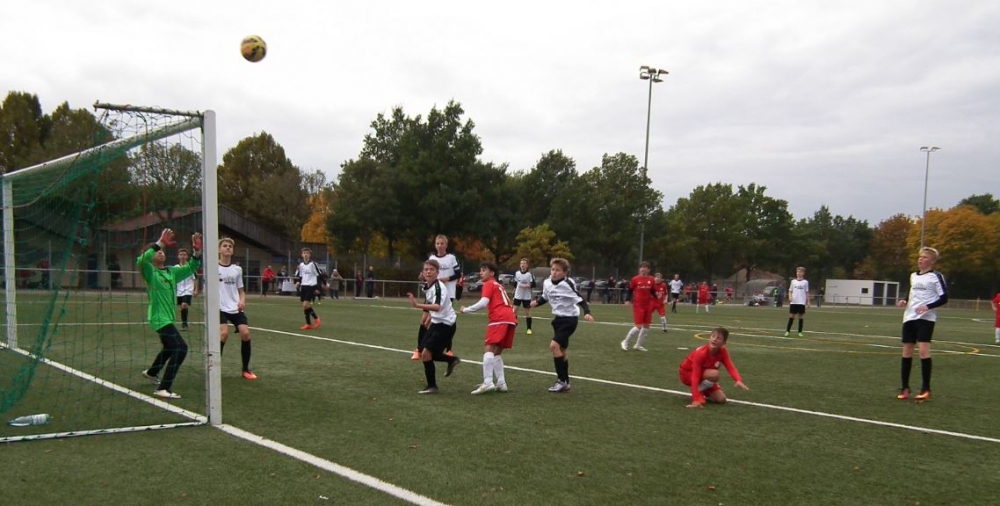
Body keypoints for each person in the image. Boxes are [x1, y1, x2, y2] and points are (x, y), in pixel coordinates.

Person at [138, 229, 202, 400]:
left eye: (162, 251)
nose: (160, 252)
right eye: (157, 251)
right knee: (181, 348)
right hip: (159, 318)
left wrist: (196, 252)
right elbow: (141, 260)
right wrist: (159, 242)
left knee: (169, 348)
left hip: (167, 318)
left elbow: (192, 267)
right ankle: (164, 387)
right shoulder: (150, 271)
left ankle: (152, 372)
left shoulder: (172, 272)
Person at [530, 258, 594, 392]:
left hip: (570, 319)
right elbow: (545, 297)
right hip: (558, 319)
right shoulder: (547, 282)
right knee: (562, 350)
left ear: (565, 273)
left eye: (558, 270)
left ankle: (561, 381)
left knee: (554, 346)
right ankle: (566, 383)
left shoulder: (568, 284)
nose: (554, 272)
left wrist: (587, 312)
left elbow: (580, 299)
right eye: (553, 269)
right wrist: (536, 302)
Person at [896, 246, 948, 401]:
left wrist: (928, 306)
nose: (920, 259)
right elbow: (911, 292)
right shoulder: (913, 276)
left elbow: (944, 298)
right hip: (909, 317)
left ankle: (926, 389)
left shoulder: (935, 277)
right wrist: (904, 300)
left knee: (923, 350)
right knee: (907, 350)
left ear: (932, 261)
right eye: (920, 257)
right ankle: (905, 387)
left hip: (926, 318)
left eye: (924, 257)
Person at [461, 262, 517, 394]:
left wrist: (466, 309)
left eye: (484, 270)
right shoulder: (499, 285)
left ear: (492, 273)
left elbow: (483, 303)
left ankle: (487, 382)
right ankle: (501, 383)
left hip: (499, 318)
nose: (481, 273)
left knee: (489, 349)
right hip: (510, 318)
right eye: (480, 270)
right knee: (496, 352)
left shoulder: (489, 284)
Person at [407, 259, 460, 394]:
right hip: (437, 323)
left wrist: (417, 305)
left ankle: (432, 386)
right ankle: (451, 360)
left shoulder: (438, 287)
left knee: (426, 354)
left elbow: (437, 307)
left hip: (446, 325)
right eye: (426, 269)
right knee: (426, 353)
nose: (428, 272)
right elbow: (433, 300)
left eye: (432, 269)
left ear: (437, 273)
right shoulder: (430, 285)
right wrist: (429, 318)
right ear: (422, 272)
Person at [679, 327, 749, 408]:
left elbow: (730, 367)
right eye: (713, 336)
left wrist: (738, 380)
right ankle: (698, 392)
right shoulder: (701, 353)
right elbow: (695, 375)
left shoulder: (723, 351)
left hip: (704, 375)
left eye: (718, 338)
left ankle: (702, 390)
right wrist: (695, 400)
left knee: (721, 399)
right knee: (714, 374)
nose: (714, 339)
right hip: (687, 373)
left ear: (723, 343)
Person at [218, 238, 257, 380]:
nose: (228, 247)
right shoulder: (213, 268)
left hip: (235, 307)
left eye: (230, 246)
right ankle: (214, 367)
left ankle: (246, 370)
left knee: (245, 334)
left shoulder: (237, 270)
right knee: (223, 334)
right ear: (219, 250)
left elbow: (241, 291)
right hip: (219, 307)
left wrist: (242, 301)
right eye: (224, 245)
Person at [620, 262, 656, 351]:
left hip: (648, 305)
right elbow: (630, 290)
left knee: (646, 326)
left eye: (645, 267)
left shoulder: (651, 279)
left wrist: (656, 296)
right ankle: (625, 341)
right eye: (641, 267)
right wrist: (627, 300)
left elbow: (652, 290)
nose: (643, 269)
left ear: (649, 269)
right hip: (638, 305)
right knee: (638, 326)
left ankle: (638, 345)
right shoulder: (635, 279)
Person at [294, 248, 323, 330]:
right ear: (302, 255)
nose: (305, 254)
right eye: (304, 253)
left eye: (307, 253)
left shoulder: (312, 264)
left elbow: (318, 275)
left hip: (311, 286)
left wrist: (319, 287)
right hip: (304, 286)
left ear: (309, 255)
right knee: (305, 306)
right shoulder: (301, 265)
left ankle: (316, 319)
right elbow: (301, 275)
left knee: (305, 304)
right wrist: (298, 282)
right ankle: (308, 324)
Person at [175, 248, 198, 331]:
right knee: (182, 307)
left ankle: (184, 324)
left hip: (188, 290)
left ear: (187, 256)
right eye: (181, 255)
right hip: (179, 291)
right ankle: (184, 322)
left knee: (184, 305)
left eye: (184, 255)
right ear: (178, 256)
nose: (182, 256)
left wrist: (195, 290)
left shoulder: (190, 267)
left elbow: (195, 279)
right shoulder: (176, 267)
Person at [784, 267, 810, 337]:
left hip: (801, 302)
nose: (799, 273)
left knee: (800, 317)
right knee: (791, 316)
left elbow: (807, 292)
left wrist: (808, 302)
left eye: (800, 272)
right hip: (794, 302)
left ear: (803, 273)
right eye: (798, 272)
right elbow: (790, 290)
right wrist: (790, 297)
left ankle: (800, 332)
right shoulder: (793, 281)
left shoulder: (805, 282)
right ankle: (787, 331)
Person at [513, 258, 536, 335]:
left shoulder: (529, 274)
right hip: (518, 296)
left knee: (527, 312)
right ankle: (513, 327)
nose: (522, 265)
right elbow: (515, 284)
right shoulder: (517, 273)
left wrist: (526, 285)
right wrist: (515, 289)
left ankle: (529, 329)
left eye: (524, 263)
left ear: (527, 265)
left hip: (526, 296)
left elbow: (534, 284)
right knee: (514, 311)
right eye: (521, 263)